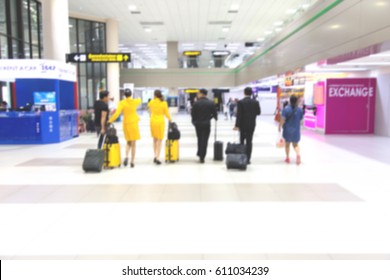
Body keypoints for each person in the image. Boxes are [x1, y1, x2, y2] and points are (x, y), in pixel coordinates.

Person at [108, 89, 141, 168]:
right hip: (134, 124)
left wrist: (110, 120)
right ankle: (132, 161)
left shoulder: (122, 103)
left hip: (126, 124)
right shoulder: (134, 101)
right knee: (134, 144)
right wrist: (139, 98)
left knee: (128, 142)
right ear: (131, 94)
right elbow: (139, 100)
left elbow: (117, 114)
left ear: (124, 95)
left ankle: (126, 156)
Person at [234, 87, 261, 164]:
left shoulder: (241, 102)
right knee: (249, 141)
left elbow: (239, 115)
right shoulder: (255, 102)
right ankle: (248, 159)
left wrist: (237, 125)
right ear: (251, 93)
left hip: (242, 125)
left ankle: (242, 157)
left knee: (242, 141)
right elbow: (258, 112)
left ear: (244, 93)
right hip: (251, 124)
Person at [191, 88, 217, 163]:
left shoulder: (196, 103)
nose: (197, 94)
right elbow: (215, 114)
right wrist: (210, 117)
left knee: (199, 139)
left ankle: (199, 153)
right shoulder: (210, 103)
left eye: (198, 93)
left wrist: (194, 122)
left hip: (198, 124)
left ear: (202, 94)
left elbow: (193, 115)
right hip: (206, 124)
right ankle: (202, 156)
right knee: (204, 140)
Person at [148, 90, 172, 165]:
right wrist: (170, 120)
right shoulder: (164, 103)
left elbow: (149, 109)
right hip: (160, 122)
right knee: (160, 140)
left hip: (153, 122)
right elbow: (167, 113)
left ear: (155, 95)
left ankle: (155, 155)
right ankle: (158, 157)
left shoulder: (151, 102)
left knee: (154, 140)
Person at [278, 95, 304, 165]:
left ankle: (287, 157)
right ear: (297, 101)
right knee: (295, 144)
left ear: (290, 100)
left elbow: (283, 119)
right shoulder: (299, 110)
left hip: (287, 129)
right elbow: (301, 121)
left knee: (287, 144)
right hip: (296, 129)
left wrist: (280, 126)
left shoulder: (286, 109)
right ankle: (298, 154)